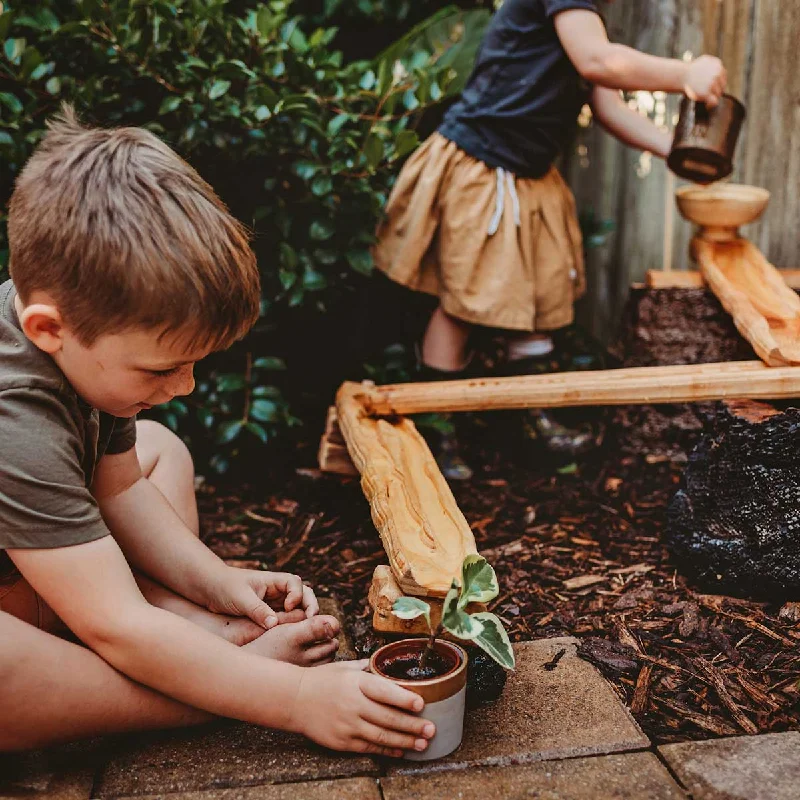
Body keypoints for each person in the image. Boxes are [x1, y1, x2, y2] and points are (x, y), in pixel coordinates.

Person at [0, 108, 435, 756]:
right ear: (47, 330)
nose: (186, 387)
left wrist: (215, 580)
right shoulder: (16, 425)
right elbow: (115, 625)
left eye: (195, 364)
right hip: (36, 613)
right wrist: (294, 700)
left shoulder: (83, 348)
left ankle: (193, 641)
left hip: (43, 578)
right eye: (163, 367)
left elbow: (118, 490)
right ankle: (181, 700)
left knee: (161, 451)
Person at [373, 0, 727, 478]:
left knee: (537, 296)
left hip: (527, 174)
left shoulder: (584, 12)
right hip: (485, 164)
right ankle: (437, 428)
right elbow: (597, 61)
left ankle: (531, 421)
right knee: (462, 305)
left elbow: (605, 103)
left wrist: (678, 150)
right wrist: (686, 75)